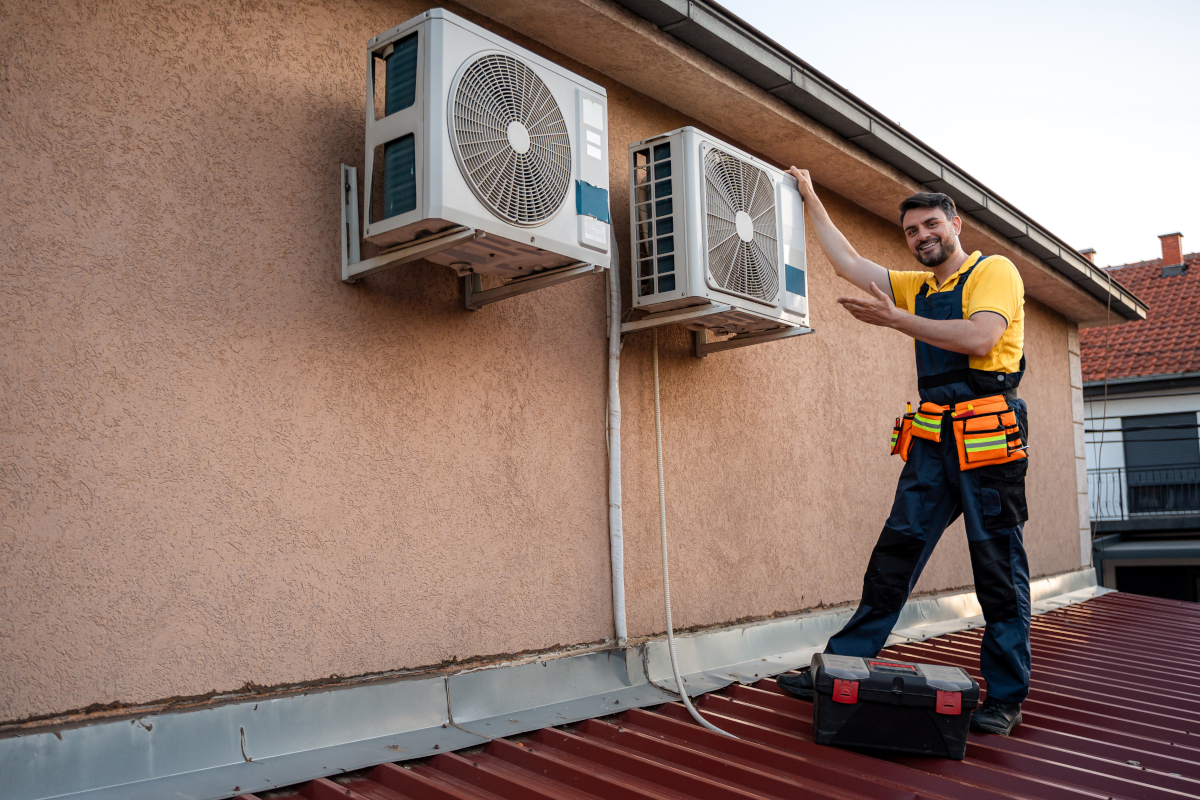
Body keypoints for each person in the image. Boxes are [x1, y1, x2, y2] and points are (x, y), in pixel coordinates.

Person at [776, 168, 1031, 736]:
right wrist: (811, 196)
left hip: (988, 437)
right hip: (934, 439)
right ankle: (841, 666)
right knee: (894, 555)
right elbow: (848, 263)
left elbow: (981, 338)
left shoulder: (993, 271)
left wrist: (895, 320)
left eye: (931, 224)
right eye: (912, 231)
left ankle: (1006, 697)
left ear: (955, 224)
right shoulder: (920, 287)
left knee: (997, 567)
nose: (922, 236)